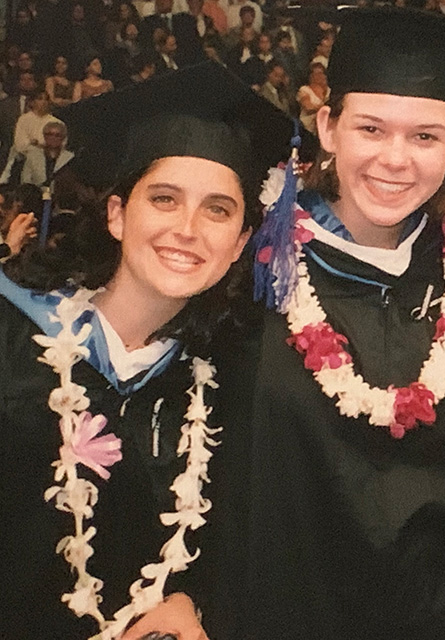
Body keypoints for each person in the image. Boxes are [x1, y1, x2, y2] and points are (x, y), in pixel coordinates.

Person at [226, 7, 445, 638]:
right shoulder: (249, 275)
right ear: (327, 127)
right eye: (371, 128)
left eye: (425, 136)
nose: (395, 160)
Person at [0, 62, 293, 640]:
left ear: (238, 245)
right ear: (116, 214)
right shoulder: (11, 337)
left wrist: (191, 601)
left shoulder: (219, 380)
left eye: (217, 209)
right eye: (164, 198)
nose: (188, 228)